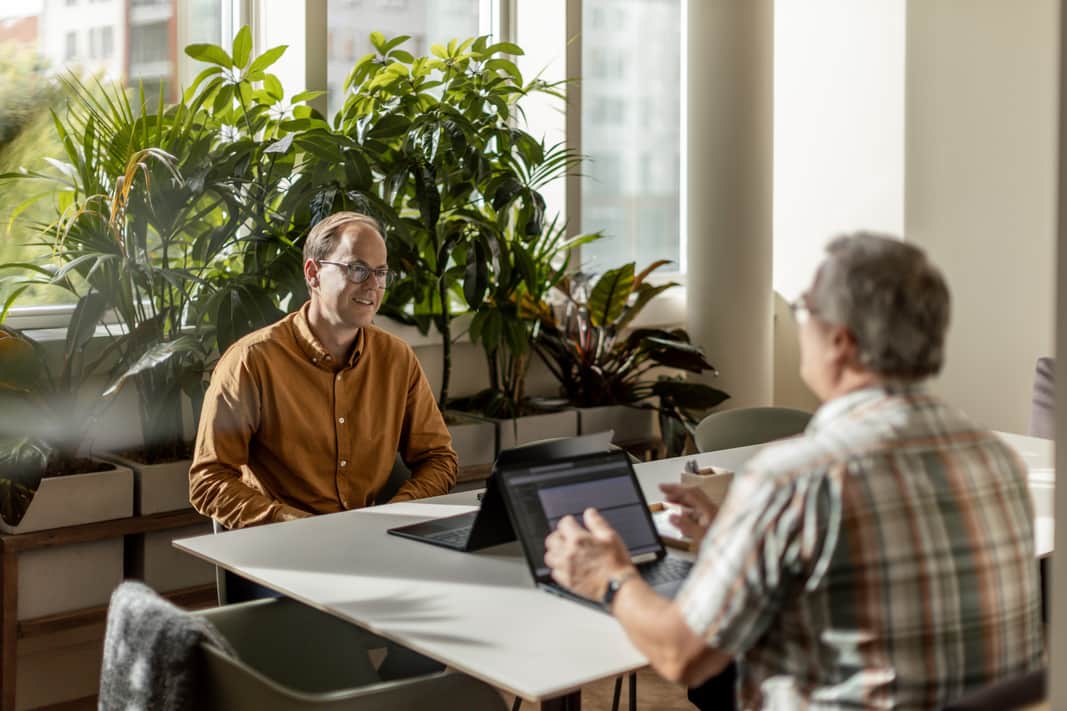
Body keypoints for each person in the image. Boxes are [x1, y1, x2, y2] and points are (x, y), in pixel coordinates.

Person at [544, 233, 1045, 710]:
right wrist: (739, 539)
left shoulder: (797, 477)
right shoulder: (993, 457)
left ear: (840, 342)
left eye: (806, 309)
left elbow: (681, 656)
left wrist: (609, 577)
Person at [189, 211, 457, 530]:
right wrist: (294, 524)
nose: (373, 285)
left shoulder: (397, 358)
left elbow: (439, 459)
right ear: (313, 274)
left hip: (372, 544)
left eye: (381, 272)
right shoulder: (251, 362)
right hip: (283, 551)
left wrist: (391, 516)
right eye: (357, 269)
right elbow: (208, 481)